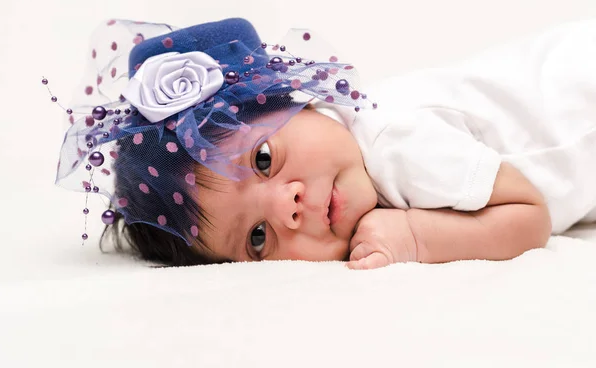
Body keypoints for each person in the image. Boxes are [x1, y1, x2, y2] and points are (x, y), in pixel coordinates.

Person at [51, 18, 596, 270]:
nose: (287, 209)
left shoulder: (393, 142)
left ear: (292, 99)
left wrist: (414, 236)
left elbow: (529, 215)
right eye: (258, 238)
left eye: (263, 160)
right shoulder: (355, 161)